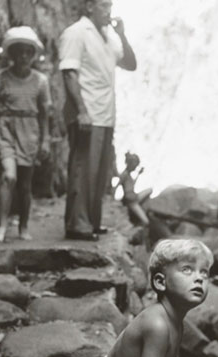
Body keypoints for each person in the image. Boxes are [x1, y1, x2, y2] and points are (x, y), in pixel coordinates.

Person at [59, 0, 137, 241]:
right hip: (87, 112)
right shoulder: (76, 33)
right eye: (103, 5)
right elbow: (69, 73)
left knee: (99, 172)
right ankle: (77, 224)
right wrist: (81, 110)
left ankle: (91, 221)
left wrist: (122, 35)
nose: (109, 10)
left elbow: (131, 64)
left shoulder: (109, 37)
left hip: (105, 114)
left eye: (110, 5)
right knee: (83, 169)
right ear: (90, 7)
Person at [0, 26, 51, 242]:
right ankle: (2, 226)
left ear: (33, 54)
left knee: (25, 184)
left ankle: (24, 227)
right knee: (9, 177)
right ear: (12, 54)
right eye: (19, 52)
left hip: (30, 132)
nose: (24, 56)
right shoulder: (1, 78)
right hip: (6, 129)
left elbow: (45, 113)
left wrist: (45, 141)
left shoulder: (41, 81)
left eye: (28, 52)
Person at [115, 152, 153, 226]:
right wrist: (114, 200)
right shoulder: (124, 174)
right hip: (131, 201)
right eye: (135, 165)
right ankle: (137, 224)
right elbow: (117, 186)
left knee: (150, 190)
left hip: (135, 197)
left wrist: (138, 174)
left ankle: (142, 209)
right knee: (146, 221)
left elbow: (131, 186)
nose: (135, 167)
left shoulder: (128, 174)